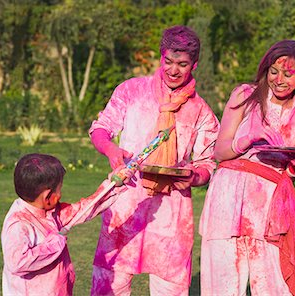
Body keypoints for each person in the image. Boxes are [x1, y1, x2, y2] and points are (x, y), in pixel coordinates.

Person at [88, 25, 220, 295]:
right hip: (125, 205)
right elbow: (100, 129)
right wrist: (112, 150)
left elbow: (208, 164)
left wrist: (193, 177)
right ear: (160, 57)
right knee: (108, 286)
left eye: (182, 64)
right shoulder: (131, 90)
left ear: (194, 64)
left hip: (171, 214)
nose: (173, 70)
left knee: (170, 288)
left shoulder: (201, 111)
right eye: (168, 61)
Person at [199, 39, 295, 295]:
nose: (279, 79)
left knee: (272, 286)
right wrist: (249, 138)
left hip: (269, 209)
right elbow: (220, 152)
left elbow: (289, 175)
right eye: (273, 71)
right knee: (222, 284)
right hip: (227, 199)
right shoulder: (245, 95)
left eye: (288, 74)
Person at [1, 153, 131, 296]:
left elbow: (85, 209)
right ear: (48, 197)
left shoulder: (52, 212)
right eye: (59, 190)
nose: (61, 194)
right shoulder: (19, 224)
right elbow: (17, 262)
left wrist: (113, 185)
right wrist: (55, 243)